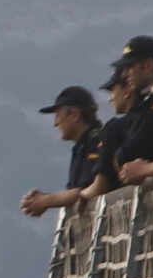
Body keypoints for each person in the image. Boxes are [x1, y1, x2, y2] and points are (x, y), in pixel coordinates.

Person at [21, 86, 103, 216]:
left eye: (58, 116)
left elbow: (86, 190)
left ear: (74, 115)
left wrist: (46, 200)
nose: (55, 123)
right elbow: (75, 191)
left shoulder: (97, 142)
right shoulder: (81, 147)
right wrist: (43, 198)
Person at [111, 35, 153, 167]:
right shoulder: (145, 105)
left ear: (148, 65)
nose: (124, 74)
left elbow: (130, 155)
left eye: (129, 67)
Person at [77, 69, 136, 199]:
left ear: (126, 91)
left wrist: (77, 197)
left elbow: (100, 187)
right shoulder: (146, 119)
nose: (110, 99)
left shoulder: (113, 128)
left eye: (113, 91)